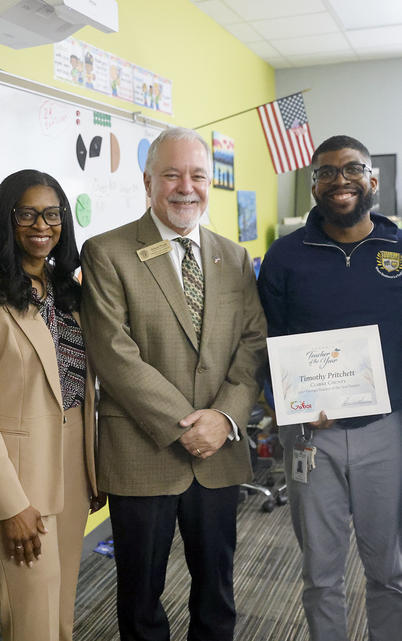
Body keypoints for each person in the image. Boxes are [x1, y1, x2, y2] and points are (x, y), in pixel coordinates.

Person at [80, 127, 267, 641]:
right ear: (148, 182)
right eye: (172, 175)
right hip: (143, 451)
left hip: (219, 451)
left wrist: (223, 417)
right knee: (140, 598)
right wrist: (185, 425)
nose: (187, 187)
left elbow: (252, 343)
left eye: (198, 176)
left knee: (217, 592)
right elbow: (113, 352)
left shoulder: (233, 257)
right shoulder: (106, 252)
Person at [257, 135, 402, 641]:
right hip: (311, 436)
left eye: (353, 169)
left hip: (387, 430)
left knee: (388, 569)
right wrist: (284, 403)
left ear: (372, 180)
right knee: (320, 573)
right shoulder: (284, 256)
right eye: (327, 172)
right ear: (314, 185)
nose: (341, 181)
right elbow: (265, 341)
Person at [0, 170, 103, 641]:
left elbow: (83, 387)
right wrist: (10, 504)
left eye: (52, 214)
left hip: (73, 466)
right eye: (27, 214)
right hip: (18, 476)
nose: (42, 225)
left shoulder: (68, 289)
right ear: (6, 220)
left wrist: (93, 469)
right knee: (31, 619)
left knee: (60, 615)